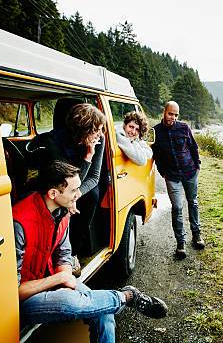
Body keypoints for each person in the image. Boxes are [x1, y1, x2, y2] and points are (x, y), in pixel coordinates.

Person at [14, 161, 168, 343]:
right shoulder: (19, 223)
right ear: (53, 193)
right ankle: (126, 297)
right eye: (73, 190)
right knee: (69, 303)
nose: (79, 194)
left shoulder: (61, 212)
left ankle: (120, 299)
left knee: (105, 314)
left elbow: (63, 253)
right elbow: (13, 291)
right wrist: (59, 280)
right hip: (23, 299)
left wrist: (66, 279)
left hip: (50, 280)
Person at [29, 101, 106, 258]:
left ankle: (74, 254)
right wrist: (87, 157)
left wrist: (75, 196)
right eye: (96, 130)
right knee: (56, 203)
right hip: (58, 182)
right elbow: (65, 180)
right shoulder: (55, 142)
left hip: (79, 184)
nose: (100, 133)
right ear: (83, 131)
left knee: (92, 195)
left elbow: (94, 177)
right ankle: (48, 252)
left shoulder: (99, 139)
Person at [152, 101, 204, 259]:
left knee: (192, 202)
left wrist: (197, 166)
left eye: (175, 115)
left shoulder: (184, 127)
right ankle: (180, 243)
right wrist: (163, 172)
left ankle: (196, 235)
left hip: (190, 172)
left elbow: (193, 147)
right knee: (177, 207)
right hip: (172, 176)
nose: (173, 117)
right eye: (170, 114)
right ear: (164, 111)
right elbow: (156, 155)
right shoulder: (156, 131)